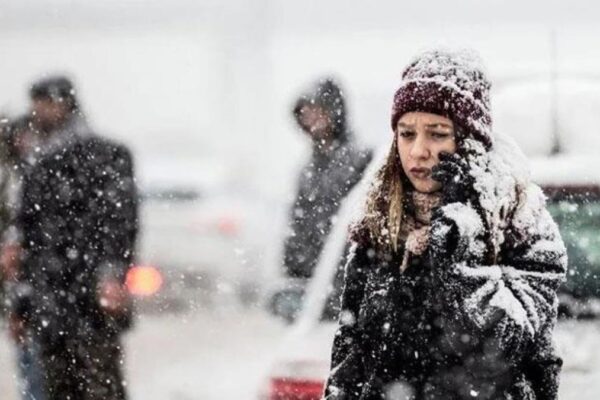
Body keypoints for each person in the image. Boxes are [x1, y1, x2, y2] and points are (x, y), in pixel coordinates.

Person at [324, 50, 567, 400]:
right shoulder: (378, 227)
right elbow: (349, 363)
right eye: (407, 134)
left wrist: (459, 240)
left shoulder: (522, 228)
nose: (418, 151)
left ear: (467, 142)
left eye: (437, 134)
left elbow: (507, 347)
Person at [11, 76, 138, 400]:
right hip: (56, 306)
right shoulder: (38, 161)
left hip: (83, 303)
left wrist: (110, 275)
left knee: (91, 386)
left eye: (42, 104)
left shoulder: (101, 156)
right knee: (71, 386)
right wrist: (23, 305)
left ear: (62, 104)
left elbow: (119, 224)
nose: (36, 112)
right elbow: (29, 238)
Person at [283, 78, 372, 280]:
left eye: (317, 110)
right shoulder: (307, 171)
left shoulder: (362, 160)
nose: (310, 119)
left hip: (350, 278)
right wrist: (294, 274)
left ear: (334, 110)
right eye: (304, 113)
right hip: (316, 286)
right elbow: (297, 229)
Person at [0, 115, 46, 400]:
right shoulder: (14, 178)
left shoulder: (34, 176)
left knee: (34, 360)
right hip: (23, 287)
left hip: (34, 287)